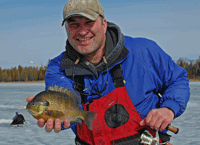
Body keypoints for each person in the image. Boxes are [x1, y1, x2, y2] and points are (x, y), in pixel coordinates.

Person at [26, 0, 190, 144]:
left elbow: (178, 80)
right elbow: (67, 104)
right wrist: (56, 117)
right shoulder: (57, 68)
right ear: (66, 28)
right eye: (74, 24)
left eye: (89, 22)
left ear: (104, 24)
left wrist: (169, 109)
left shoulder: (143, 50)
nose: (82, 31)